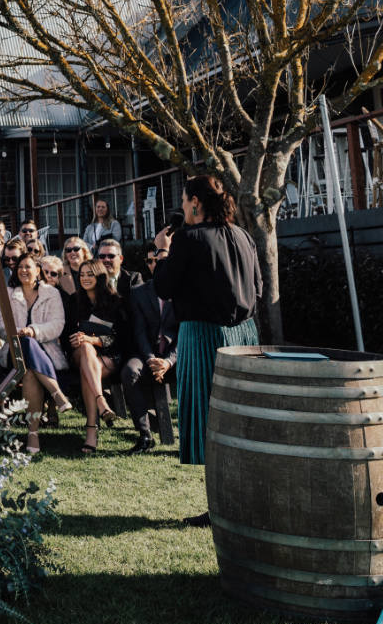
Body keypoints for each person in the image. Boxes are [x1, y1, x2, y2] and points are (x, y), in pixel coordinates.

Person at [152, 174, 261, 525]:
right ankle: (242, 501)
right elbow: (257, 286)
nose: (182, 206)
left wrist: (162, 251)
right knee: (241, 418)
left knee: (210, 418)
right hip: (245, 334)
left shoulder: (187, 239)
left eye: (184, 200)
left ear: (196, 202)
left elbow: (164, 287)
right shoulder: (244, 235)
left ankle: (222, 508)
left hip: (204, 336)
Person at [5, 255, 75, 454]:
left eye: (28, 267)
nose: (24, 270)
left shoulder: (51, 293)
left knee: (28, 373)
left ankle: (32, 434)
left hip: (46, 352)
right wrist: (19, 332)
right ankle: (57, 394)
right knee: (25, 342)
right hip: (14, 351)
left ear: (38, 271)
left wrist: (34, 331)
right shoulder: (9, 294)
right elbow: (0, 325)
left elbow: (58, 324)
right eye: (20, 267)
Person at [65, 258, 127, 455]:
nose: (84, 278)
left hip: (108, 356)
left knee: (87, 368)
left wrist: (94, 340)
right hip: (78, 354)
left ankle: (91, 430)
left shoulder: (115, 301)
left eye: (89, 274)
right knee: (84, 349)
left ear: (100, 276)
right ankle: (101, 403)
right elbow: (65, 333)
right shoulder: (74, 301)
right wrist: (74, 340)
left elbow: (121, 337)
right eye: (81, 275)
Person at [121, 277, 177, 454]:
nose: (157, 264)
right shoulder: (138, 292)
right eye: (151, 261)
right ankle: (144, 435)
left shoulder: (185, 290)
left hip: (176, 356)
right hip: (147, 355)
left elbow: (185, 332)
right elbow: (139, 330)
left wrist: (168, 362)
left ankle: (194, 435)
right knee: (130, 371)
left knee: (196, 373)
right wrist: (151, 359)